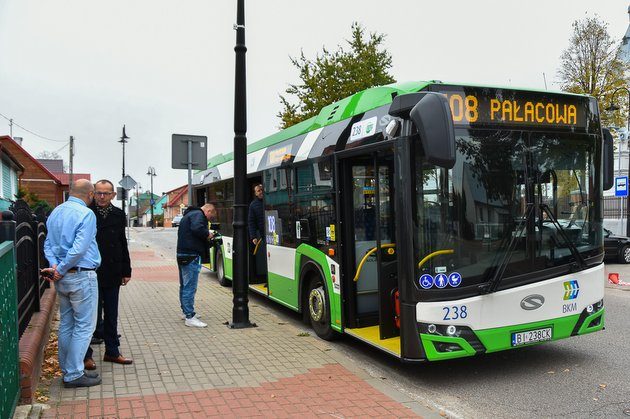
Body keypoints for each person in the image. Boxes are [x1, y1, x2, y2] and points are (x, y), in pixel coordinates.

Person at [42, 179, 101, 388]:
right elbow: (80, 248)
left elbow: (48, 243)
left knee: (67, 323)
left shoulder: (56, 211)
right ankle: (74, 374)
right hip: (81, 275)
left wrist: (56, 267)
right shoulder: (86, 214)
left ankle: (68, 370)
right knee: (84, 326)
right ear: (91, 194)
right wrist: (63, 268)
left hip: (63, 277)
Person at [84, 179, 133, 369]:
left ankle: (112, 352)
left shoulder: (119, 214)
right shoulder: (87, 212)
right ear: (93, 193)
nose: (102, 197)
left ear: (113, 195)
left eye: (106, 193)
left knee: (111, 315)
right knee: (90, 316)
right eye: (99, 193)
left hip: (112, 271)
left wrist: (126, 270)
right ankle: (86, 355)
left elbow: (122, 243)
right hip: (91, 270)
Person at [176, 203, 216, 327]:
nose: (209, 220)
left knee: (184, 285)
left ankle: (186, 311)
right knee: (190, 287)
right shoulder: (198, 215)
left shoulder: (189, 214)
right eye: (210, 217)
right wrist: (208, 234)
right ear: (208, 211)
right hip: (191, 255)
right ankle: (190, 317)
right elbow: (197, 229)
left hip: (182, 254)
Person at [248, 184, 267, 282]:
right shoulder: (253, 205)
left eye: (262, 190)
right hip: (264, 235)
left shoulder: (269, 200)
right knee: (267, 258)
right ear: (255, 193)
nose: (261, 192)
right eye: (258, 191)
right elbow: (251, 222)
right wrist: (253, 237)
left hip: (274, 233)